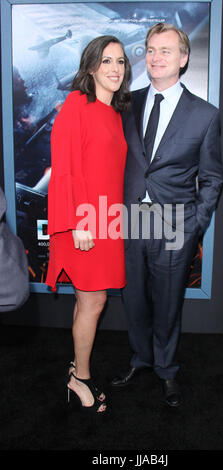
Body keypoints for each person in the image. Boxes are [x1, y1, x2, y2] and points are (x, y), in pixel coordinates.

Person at [111, 23, 223, 407]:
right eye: (151, 50)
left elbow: (212, 178)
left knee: (168, 302)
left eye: (165, 51)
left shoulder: (205, 115)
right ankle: (141, 358)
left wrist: (195, 225)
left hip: (174, 225)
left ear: (183, 58)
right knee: (135, 300)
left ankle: (167, 369)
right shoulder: (126, 104)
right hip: (130, 221)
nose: (155, 58)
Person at [46, 35, 131, 413]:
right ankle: (79, 377)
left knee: (89, 301)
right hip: (84, 221)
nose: (115, 68)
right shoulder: (78, 103)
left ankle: (76, 370)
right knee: (94, 301)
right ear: (92, 66)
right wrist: (80, 220)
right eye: (107, 61)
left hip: (107, 219)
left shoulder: (114, 113)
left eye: (121, 61)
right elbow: (64, 165)